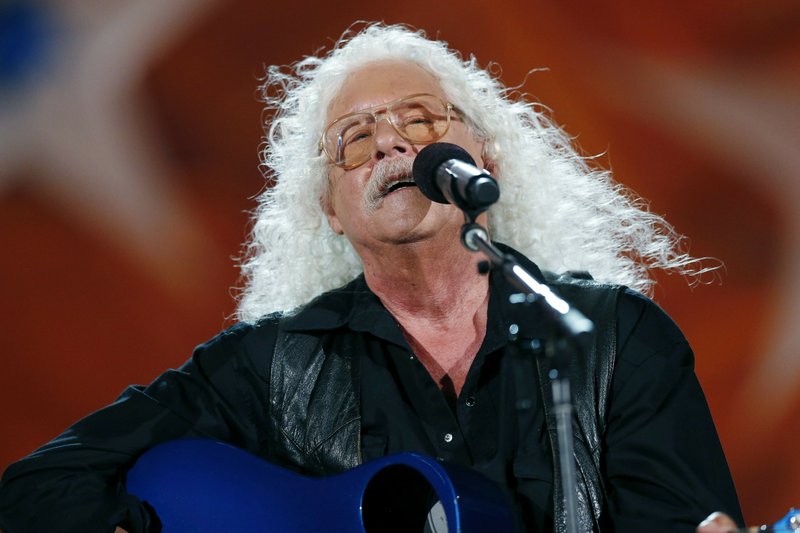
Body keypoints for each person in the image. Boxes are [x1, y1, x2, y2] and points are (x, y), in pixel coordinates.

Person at [0, 23, 744, 532]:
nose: (390, 141)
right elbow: (33, 487)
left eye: (420, 121)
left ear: (487, 161)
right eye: (354, 139)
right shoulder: (269, 368)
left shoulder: (616, 343)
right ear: (328, 206)